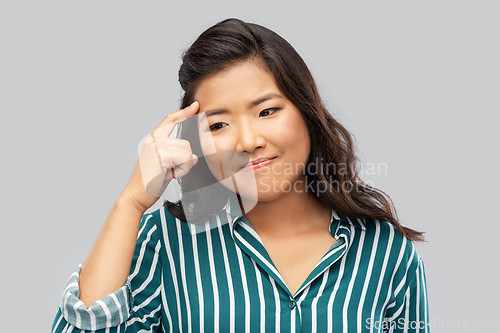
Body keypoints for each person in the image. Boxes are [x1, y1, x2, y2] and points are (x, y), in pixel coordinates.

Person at [51, 18, 430, 333]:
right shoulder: (164, 240)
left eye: (267, 111)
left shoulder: (385, 251)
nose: (248, 141)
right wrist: (131, 201)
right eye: (218, 125)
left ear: (306, 112)